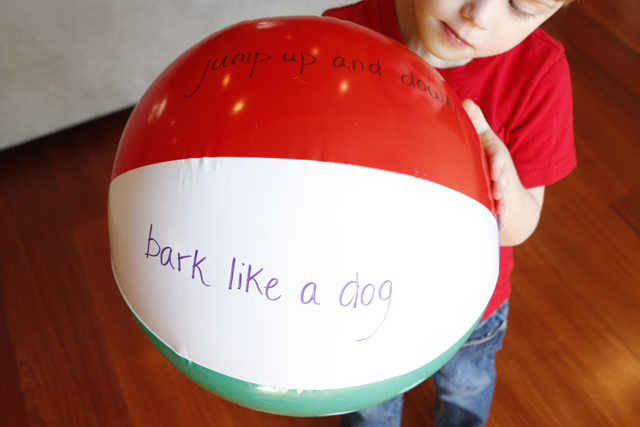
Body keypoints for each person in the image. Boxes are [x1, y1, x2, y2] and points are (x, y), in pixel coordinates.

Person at [322, 0, 577, 426]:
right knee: (368, 399)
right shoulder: (339, 37)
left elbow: (522, 225)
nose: (478, 14)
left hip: (471, 308)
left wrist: (501, 180)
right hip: (359, 296)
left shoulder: (539, 74)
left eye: (522, 5)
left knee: (467, 385)